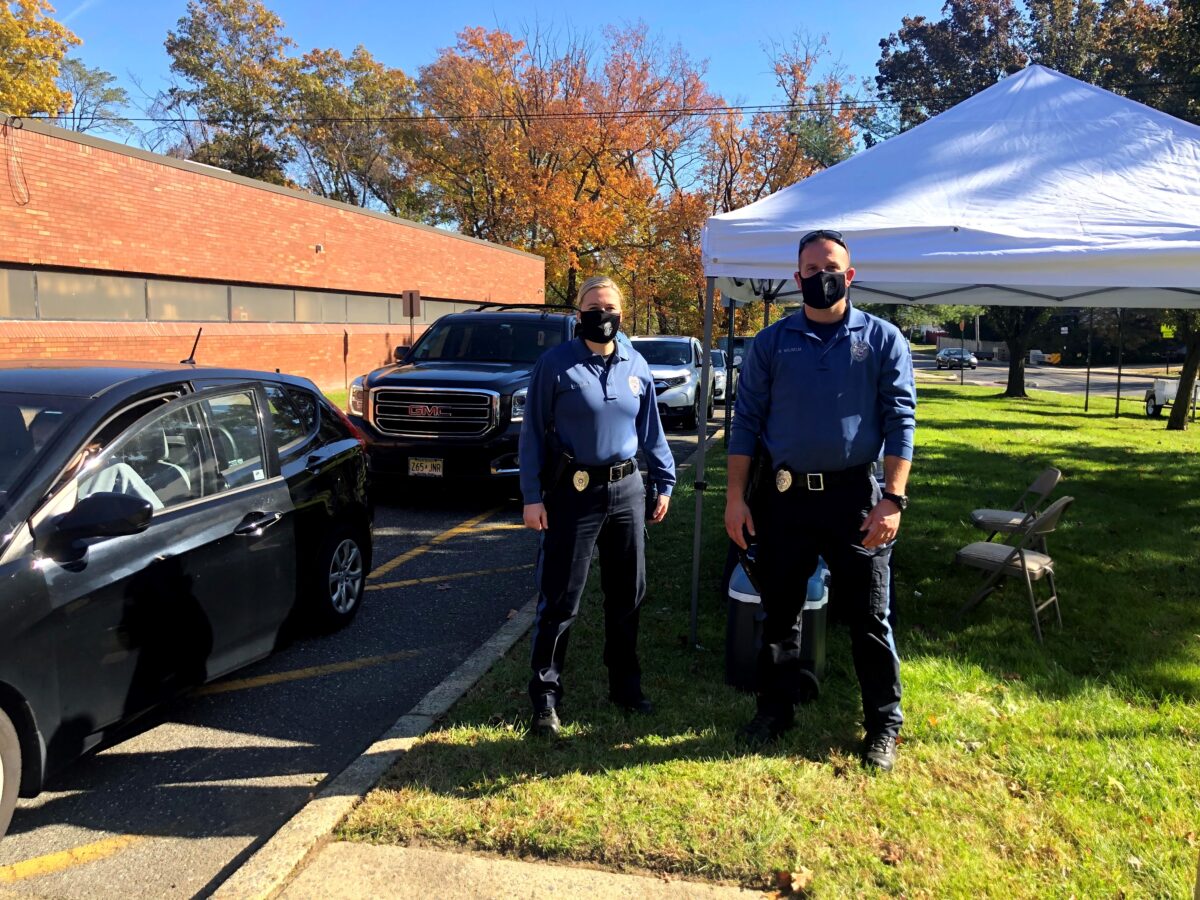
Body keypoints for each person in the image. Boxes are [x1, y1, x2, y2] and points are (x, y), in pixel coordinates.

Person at [724, 229, 915, 771]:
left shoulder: (883, 340)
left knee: (869, 616)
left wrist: (893, 499)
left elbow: (902, 420)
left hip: (857, 498)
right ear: (797, 276)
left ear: (849, 276)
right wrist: (736, 499)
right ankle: (775, 707)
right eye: (809, 269)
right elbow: (745, 424)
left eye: (829, 267)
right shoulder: (772, 342)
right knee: (780, 611)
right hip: (783, 499)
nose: (819, 276)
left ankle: (883, 723)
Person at [519, 275, 676, 736]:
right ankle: (545, 698)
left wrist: (664, 481)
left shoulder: (636, 363)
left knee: (627, 595)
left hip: (627, 490)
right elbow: (531, 434)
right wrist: (532, 497)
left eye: (608, 306)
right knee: (560, 600)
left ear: (621, 313)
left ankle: (626, 688)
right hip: (573, 492)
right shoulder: (556, 364)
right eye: (592, 306)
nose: (601, 314)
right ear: (578, 313)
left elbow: (652, 432)